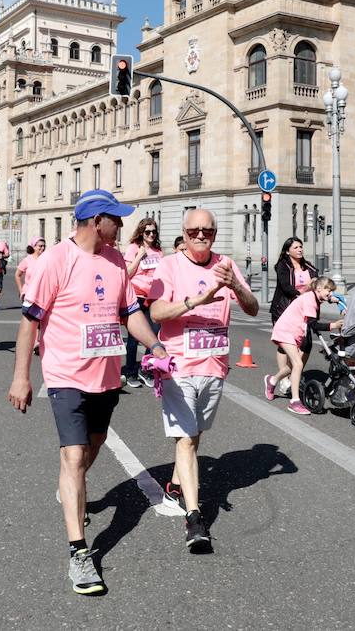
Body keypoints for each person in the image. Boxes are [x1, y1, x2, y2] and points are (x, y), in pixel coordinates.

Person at [7, 189, 166, 596]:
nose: (122, 225)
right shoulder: (54, 261)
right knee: (74, 456)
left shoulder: (115, 261)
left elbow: (130, 313)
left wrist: (156, 346)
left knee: (91, 449)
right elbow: (29, 322)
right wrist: (21, 377)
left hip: (107, 377)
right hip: (65, 377)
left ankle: (69, 487)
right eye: (117, 218)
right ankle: (80, 552)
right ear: (97, 221)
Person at [147, 208, 258, 551]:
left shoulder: (225, 263)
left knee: (193, 437)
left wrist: (234, 284)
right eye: (194, 230)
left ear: (214, 233)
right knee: (185, 439)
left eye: (207, 231)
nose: (200, 236)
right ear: (184, 232)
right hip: (178, 366)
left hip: (214, 366)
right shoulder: (169, 265)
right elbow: (155, 311)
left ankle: (176, 484)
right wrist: (199, 299)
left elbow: (253, 308)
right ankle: (195, 518)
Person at [268, 276, 341, 414]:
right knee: (298, 364)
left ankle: (272, 380)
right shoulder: (309, 300)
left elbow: (323, 301)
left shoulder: (315, 297)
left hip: (294, 332)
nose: (330, 294)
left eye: (332, 291)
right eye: (328, 291)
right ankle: (294, 402)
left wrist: (333, 300)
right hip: (285, 331)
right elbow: (313, 324)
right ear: (319, 288)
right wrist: (333, 325)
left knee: (292, 366)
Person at [123, 218, 164, 389]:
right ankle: (131, 372)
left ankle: (145, 370)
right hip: (137, 296)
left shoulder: (158, 251)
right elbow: (126, 273)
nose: (151, 235)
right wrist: (139, 256)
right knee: (134, 338)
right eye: (148, 232)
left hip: (153, 297)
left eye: (154, 232)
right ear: (141, 232)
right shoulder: (133, 248)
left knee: (154, 335)